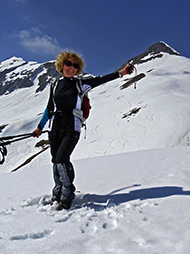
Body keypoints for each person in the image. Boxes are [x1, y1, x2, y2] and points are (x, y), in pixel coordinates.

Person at [32, 51, 134, 210]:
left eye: (75, 66)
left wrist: (121, 73)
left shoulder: (80, 84)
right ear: (61, 65)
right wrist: (40, 127)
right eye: (68, 64)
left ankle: (68, 192)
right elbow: (49, 108)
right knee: (55, 161)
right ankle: (57, 192)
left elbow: (101, 80)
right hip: (56, 126)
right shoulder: (54, 85)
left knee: (61, 158)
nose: (71, 68)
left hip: (72, 125)